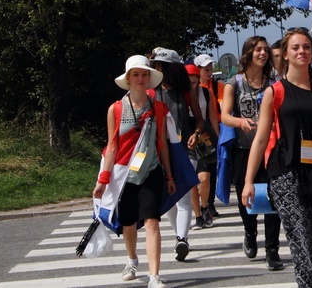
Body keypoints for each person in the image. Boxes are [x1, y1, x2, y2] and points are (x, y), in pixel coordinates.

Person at [241, 28, 312, 288]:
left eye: (306, 47)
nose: (302, 51)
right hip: (285, 171)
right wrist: (248, 180)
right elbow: (261, 138)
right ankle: (311, 283)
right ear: (285, 55)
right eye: (296, 47)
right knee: (301, 239)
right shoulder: (274, 92)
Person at [93, 55, 175, 288]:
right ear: (128, 79)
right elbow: (112, 146)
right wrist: (104, 179)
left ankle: (154, 275)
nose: (141, 78)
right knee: (128, 223)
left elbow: (162, 144)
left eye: (144, 74)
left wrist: (169, 175)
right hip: (123, 175)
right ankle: (131, 260)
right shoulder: (116, 109)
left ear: (149, 78)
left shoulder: (159, 108)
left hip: (151, 171)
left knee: (152, 221)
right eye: (136, 74)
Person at [220, 36, 284, 271]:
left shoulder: (274, 83)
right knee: (246, 198)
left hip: (270, 150)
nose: (263, 54)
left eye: (265, 50)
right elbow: (224, 115)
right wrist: (239, 122)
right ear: (248, 53)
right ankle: (249, 231)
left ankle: (272, 250)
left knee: (272, 197)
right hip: (243, 149)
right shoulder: (234, 83)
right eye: (258, 50)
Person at [150, 48, 204, 262]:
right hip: (158, 151)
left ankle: (182, 238)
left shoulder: (186, 91)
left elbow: (199, 119)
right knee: (170, 198)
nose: (157, 68)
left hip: (185, 148)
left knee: (182, 195)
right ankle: (178, 236)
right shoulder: (150, 92)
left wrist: (197, 134)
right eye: (156, 65)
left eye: (162, 65)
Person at [185, 63, 220, 230]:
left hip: (204, 136)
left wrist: (218, 137)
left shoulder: (206, 93)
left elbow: (212, 116)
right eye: (189, 82)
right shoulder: (181, 95)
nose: (192, 85)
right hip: (187, 137)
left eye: (194, 81)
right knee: (192, 181)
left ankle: (205, 206)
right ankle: (198, 216)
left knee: (204, 178)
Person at [195, 53, 224, 218]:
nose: (209, 72)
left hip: (211, 129)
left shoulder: (215, 87)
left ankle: (209, 203)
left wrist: (218, 136)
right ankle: (199, 205)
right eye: (206, 69)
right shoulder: (192, 88)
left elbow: (217, 110)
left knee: (211, 168)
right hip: (195, 131)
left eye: (210, 69)